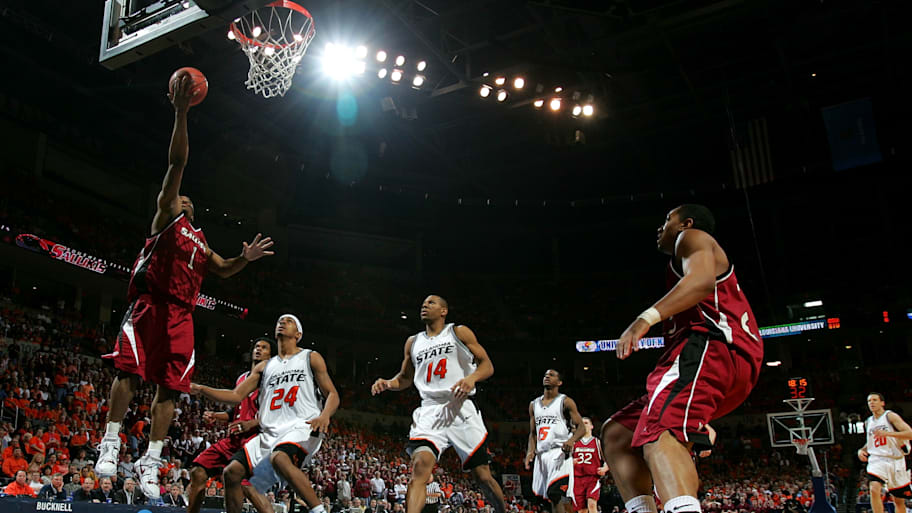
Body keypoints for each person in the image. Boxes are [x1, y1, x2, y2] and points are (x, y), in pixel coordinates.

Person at [95, 70, 275, 501]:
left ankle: (152, 458)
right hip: (151, 304)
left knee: (170, 387)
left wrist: (244, 260)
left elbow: (225, 269)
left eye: (188, 200)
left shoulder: (201, 241)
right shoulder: (164, 220)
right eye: (179, 196)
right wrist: (181, 113)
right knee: (129, 372)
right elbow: (177, 164)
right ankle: (110, 439)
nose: (183, 199)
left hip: (182, 314)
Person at [601, 204, 763, 513]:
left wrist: (644, 319)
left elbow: (701, 283)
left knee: (660, 429)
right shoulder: (682, 259)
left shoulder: (692, 237)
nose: (661, 227)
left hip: (711, 346)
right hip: (724, 363)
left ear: (685, 223)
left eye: (667, 219)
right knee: (618, 433)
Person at [371, 295, 508, 513]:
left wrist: (471, 378)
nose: (425, 305)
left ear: (444, 311)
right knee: (419, 468)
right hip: (430, 410)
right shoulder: (413, 342)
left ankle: (504, 511)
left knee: (482, 476)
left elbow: (487, 366)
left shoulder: (458, 332)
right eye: (423, 303)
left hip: (461, 407)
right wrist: (388, 383)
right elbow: (405, 378)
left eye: (431, 303)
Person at [192, 314, 340, 513]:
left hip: (303, 425)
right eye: (280, 320)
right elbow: (236, 396)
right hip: (272, 431)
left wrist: (325, 415)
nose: (282, 322)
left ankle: (318, 510)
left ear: (298, 334)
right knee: (231, 473)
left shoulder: (310, 357)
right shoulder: (265, 367)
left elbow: (332, 394)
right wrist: (202, 389)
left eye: (289, 321)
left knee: (279, 458)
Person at [187, 337, 277, 513]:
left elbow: (277, 414)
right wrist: (216, 416)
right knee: (198, 472)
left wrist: (250, 423)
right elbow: (235, 412)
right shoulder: (243, 378)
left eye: (264, 348)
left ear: (271, 355)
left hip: (256, 439)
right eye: (256, 346)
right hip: (233, 440)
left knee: (246, 485)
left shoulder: (272, 380)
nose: (258, 349)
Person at [524, 369, 586, 513]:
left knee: (555, 493)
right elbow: (533, 433)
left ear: (559, 382)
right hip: (542, 455)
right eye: (545, 374)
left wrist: (571, 441)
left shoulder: (565, 401)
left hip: (560, 453)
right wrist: (529, 452)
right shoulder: (534, 405)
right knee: (549, 499)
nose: (547, 376)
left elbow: (581, 428)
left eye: (551, 375)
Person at [858, 392, 912, 513]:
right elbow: (871, 443)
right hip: (877, 459)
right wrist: (861, 450)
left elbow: (910, 434)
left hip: (896, 460)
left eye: (875, 400)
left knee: (898, 500)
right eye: (869, 401)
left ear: (882, 403)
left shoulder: (890, 416)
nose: (871, 402)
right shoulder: (868, 422)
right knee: (874, 489)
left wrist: (888, 433)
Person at [573, 418, 609, 513]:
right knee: (582, 510)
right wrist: (570, 462)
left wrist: (605, 468)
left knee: (592, 505)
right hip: (577, 479)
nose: (584, 425)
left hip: (592, 478)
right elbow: (564, 461)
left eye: (586, 423)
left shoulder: (597, 442)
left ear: (591, 426)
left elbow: (608, 460)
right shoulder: (574, 443)